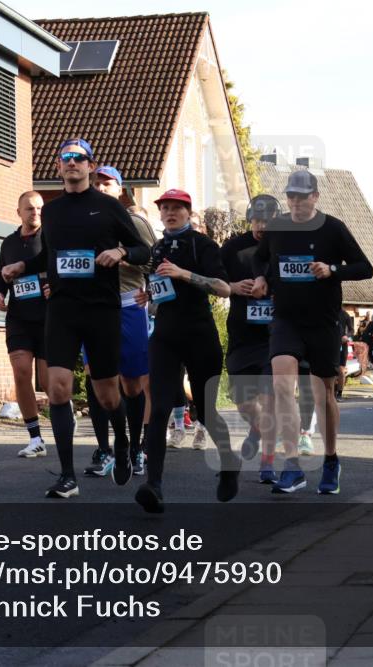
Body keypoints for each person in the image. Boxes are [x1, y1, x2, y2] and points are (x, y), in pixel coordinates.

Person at [1, 138, 150, 499]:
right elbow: (50, 256)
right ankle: (67, 476)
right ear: (58, 167)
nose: (72, 163)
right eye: (66, 158)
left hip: (101, 309)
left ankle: (126, 445)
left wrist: (121, 251)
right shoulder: (51, 212)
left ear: (89, 165)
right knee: (58, 388)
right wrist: (24, 264)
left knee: (108, 395)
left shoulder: (109, 207)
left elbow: (146, 250)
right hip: (63, 310)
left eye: (79, 159)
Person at [251, 170, 373, 494]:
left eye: (302, 197)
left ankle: (331, 458)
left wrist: (332, 269)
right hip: (286, 319)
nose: (295, 202)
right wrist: (262, 278)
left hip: (323, 322)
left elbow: (365, 268)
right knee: (282, 384)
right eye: (290, 196)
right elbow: (259, 260)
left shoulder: (332, 228)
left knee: (323, 396)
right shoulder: (277, 227)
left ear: (315, 197)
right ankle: (292, 466)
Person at [135, 189, 236, 513]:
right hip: (165, 336)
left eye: (176, 208)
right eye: (164, 208)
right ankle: (154, 485)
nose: (169, 213)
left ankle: (229, 462)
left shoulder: (202, 245)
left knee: (205, 410)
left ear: (188, 212)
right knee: (161, 406)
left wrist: (183, 274)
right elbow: (160, 294)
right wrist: (148, 299)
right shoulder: (157, 248)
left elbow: (224, 287)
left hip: (200, 334)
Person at [80, 166, 157, 477]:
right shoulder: (80, 220)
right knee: (96, 379)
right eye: (97, 181)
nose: (100, 186)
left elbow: (154, 258)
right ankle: (103, 449)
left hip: (127, 304)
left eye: (107, 182)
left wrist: (150, 289)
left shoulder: (134, 221)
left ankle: (137, 448)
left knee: (132, 383)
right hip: (91, 305)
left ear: (119, 189)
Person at [222, 194, 279, 482]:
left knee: (270, 399)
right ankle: (256, 428)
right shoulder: (233, 247)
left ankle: (267, 463)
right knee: (244, 403)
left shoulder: (283, 248)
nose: (261, 227)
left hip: (274, 336)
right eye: (257, 220)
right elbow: (216, 282)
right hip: (243, 335)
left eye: (268, 222)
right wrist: (233, 287)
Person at [0, 191, 49, 458]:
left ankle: (63, 418)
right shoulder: (9, 242)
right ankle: (35, 436)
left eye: (39, 208)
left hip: (49, 317)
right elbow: (1, 275)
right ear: (19, 212)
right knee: (22, 372)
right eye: (29, 208)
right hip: (19, 318)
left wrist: (51, 284)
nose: (35, 212)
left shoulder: (50, 238)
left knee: (51, 383)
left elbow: (58, 269)